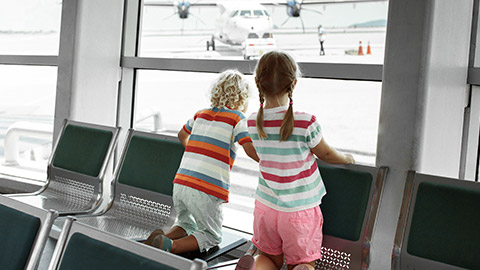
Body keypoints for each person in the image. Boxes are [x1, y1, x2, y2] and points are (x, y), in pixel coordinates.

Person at [236, 51, 354, 270]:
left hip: (266, 208)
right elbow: (326, 153)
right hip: (299, 211)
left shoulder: (253, 123)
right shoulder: (305, 122)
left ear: (257, 83)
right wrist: (346, 158)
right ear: (294, 84)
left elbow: (257, 153)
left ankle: (256, 267)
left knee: (268, 258)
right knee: (302, 263)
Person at [145, 69, 259, 255]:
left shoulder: (201, 114)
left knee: (185, 223)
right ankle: (170, 246)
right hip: (205, 189)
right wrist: (268, 162)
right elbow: (248, 147)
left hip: (181, 183)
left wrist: (196, 149)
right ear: (241, 99)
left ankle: (163, 238)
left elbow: (182, 135)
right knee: (211, 235)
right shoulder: (237, 118)